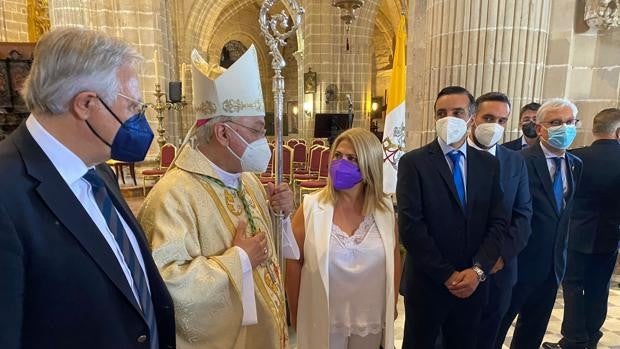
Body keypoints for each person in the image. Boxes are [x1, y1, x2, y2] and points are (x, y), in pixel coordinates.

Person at [0, 27, 175, 349]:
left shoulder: (97, 172)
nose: (138, 120)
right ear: (86, 104)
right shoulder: (7, 194)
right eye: (133, 107)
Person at [138, 45, 298, 349]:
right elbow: (168, 286)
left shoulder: (248, 181)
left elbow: (270, 255)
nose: (261, 142)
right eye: (256, 130)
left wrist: (281, 215)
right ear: (223, 134)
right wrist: (239, 259)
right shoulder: (172, 197)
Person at [397, 86, 507, 349]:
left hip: (473, 283)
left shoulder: (488, 165)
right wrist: (447, 275)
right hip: (427, 283)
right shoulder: (414, 162)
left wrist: (478, 271)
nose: (449, 118)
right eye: (441, 113)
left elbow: (498, 221)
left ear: (470, 117)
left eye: (457, 112)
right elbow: (411, 226)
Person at [286, 128, 401, 349]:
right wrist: (295, 312)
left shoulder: (384, 209)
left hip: (370, 317)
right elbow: (293, 262)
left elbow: (394, 256)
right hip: (324, 316)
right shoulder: (310, 207)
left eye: (351, 158)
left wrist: (393, 300)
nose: (341, 163)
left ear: (368, 165)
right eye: (337, 155)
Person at [497, 98, 583, 349]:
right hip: (518, 263)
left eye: (569, 122)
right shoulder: (517, 161)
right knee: (497, 327)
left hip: (552, 267)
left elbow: (563, 215)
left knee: (532, 332)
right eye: (556, 123)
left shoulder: (576, 165)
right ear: (541, 128)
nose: (564, 128)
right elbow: (504, 214)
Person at [542, 108, 620, 349]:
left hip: (575, 233)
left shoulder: (576, 158)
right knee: (600, 286)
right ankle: (592, 336)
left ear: (595, 129)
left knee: (573, 285)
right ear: (618, 132)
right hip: (610, 234)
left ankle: (574, 339)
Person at [466, 92, 533, 349]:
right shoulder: (452, 157)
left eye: (502, 120)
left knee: (489, 337)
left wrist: (498, 257)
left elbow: (523, 215)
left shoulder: (515, 161)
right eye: (488, 117)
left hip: (498, 270)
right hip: (458, 270)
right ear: (473, 118)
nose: (495, 125)